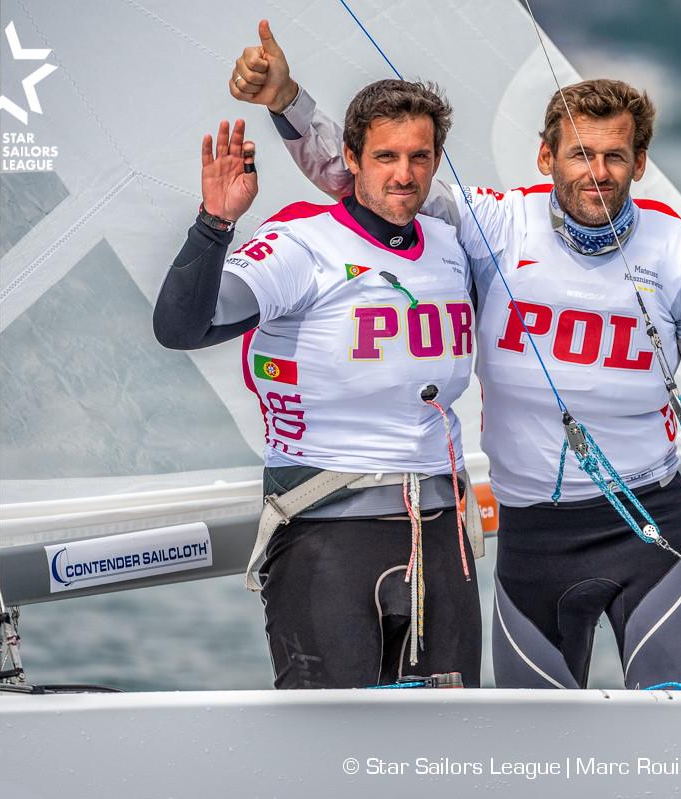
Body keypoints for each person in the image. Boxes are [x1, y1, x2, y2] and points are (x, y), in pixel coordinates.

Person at [229, 22, 681, 689]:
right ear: (545, 157)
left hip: (652, 532)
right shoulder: (494, 227)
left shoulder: (674, 251)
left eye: (615, 156)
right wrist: (287, 101)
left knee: (673, 716)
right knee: (534, 739)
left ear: (640, 163)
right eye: (581, 154)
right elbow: (364, 174)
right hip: (534, 541)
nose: (598, 172)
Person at [152, 79, 482, 689]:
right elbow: (181, 327)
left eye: (419, 157)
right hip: (327, 534)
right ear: (351, 158)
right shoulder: (302, 246)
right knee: (330, 738)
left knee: (451, 736)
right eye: (385, 156)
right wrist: (215, 223)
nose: (404, 174)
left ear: (437, 160)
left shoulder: (451, 243)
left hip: (441, 533)